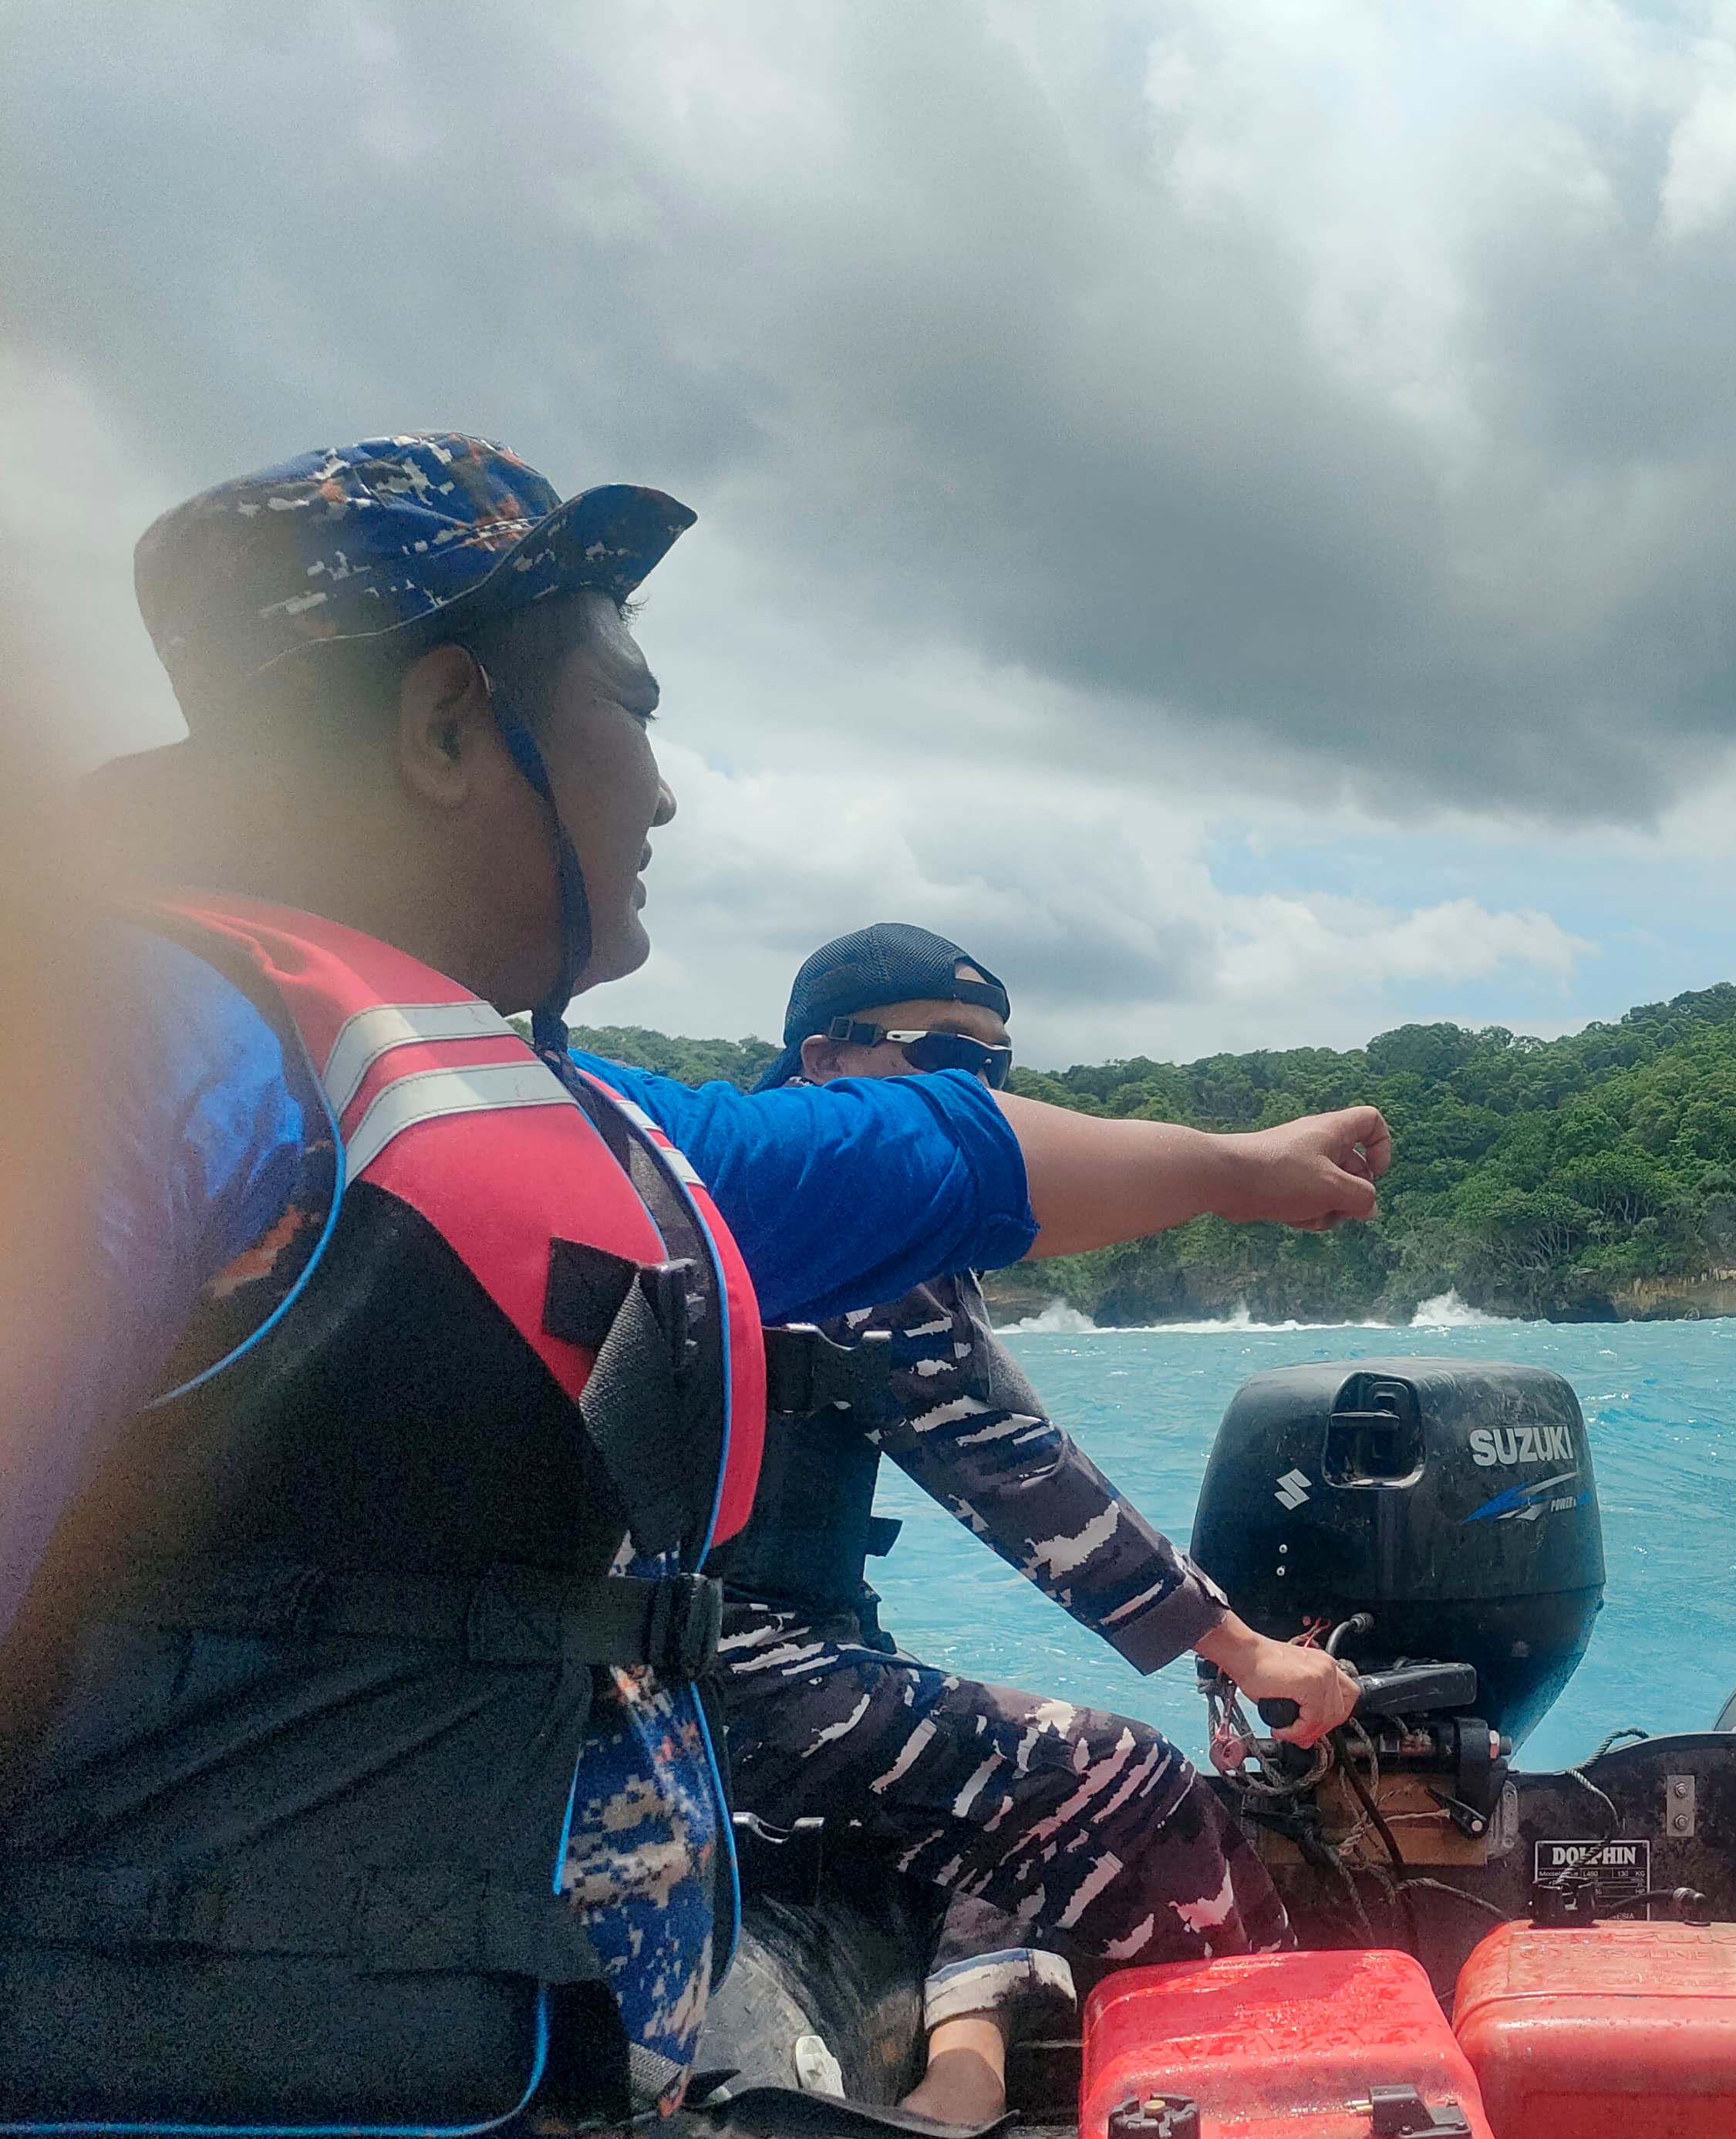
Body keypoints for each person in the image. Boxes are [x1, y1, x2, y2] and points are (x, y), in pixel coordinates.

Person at [2, 435, 1391, 2133]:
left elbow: (935, 1156)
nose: (661, 793)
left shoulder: (543, 1110)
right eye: (633, 708)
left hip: (500, 2057)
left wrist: (1246, 1166)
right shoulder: (132, 1051)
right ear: (450, 727)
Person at [710, 922, 1350, 2126]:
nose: (974, 1097)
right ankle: (1277, 2084)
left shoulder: (748, 1196)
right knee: (1130, 1781)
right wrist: (1247, 1651)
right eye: (937, 1057)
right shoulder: (840, 1220)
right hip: (707, 1671)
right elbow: (1013, 1472)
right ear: (823, 1060)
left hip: (736, 1651)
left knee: (985, 1776)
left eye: (993, 1072)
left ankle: (967, 2062)